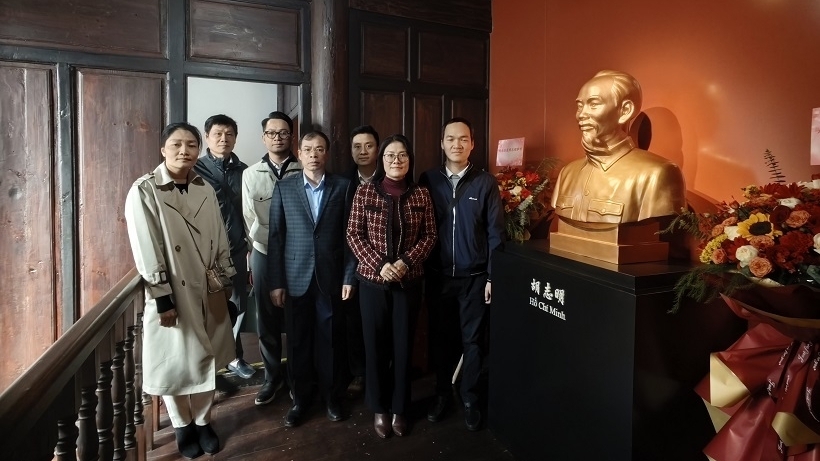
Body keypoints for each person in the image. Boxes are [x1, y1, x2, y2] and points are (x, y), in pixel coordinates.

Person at [125, 122, 235, 457]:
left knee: (206, 358)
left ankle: (203, 421)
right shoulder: (145, 190)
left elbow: (219, 235)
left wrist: (225, 276)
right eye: (176, 145)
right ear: (163, 149)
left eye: (191, 145)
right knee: (175, 363)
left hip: (207, 286)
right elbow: (147, 248)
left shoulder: (204, 188)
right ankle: (182, 426)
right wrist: (162, 297)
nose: (184, 151)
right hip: (173, 290)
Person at [346, 134, 437, 438]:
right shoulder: (364, 193)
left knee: (402, 346)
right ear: (381, 160)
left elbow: (429, 237)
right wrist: (380, 265)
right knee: (374, 346)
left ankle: (399, 408)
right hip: (372, 284)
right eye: (390, 156)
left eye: (402, 156)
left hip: (408, 283)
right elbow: (354, 236)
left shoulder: (421, 194)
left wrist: (405, 263)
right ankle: (379, 408)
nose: (396, 161)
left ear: (410, 161)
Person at [419, 117, 504, 432]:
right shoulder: (428, 179)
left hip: (475, 278)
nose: (457, 144)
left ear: (472, 144)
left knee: (472, 341)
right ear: (442, 143)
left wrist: (493, 277)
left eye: (463, 139)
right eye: (450, 139)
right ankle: (442, 393)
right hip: (439, 276)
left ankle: (469, 397)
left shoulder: (485, 182)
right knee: (441, 339)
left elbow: (496, 234)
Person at [267, 131, 357, 427]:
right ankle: (300, 399)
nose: (314, 154)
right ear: (300, 153)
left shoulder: (343, 187)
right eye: (308, 149)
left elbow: (350, 238)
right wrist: (276, 282)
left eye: (320, 149)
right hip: (294, 279)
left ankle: (332, 397)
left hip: (330, 278)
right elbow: (276, 237)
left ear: (327, 154)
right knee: (298, 342)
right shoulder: (284, 187)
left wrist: (349, 277)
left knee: (330, 341)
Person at [551, 70, 686, 224]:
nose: (581, 114)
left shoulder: (657, 174)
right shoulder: (567, 173)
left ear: (625, 111)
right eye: (580, 106)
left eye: (593, 104)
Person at [242, 111, 303, 405]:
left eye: (283, 133)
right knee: (266, 317)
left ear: (292, 137)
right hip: (264, 251)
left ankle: (297, 377)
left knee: (296, 316)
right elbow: (248, 216)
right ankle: (271, 377)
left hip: (298, 253)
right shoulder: (250, 174)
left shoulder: (303, 169)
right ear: (263, 137)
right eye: (272, 133)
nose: (277, 138)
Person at [194, 114, 255, 380]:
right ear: (207, 137)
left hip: (237, 248)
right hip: (204, 252)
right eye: (218, 133)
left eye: (229, 134)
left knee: (237, 303)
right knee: (205, 306)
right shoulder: (196, 169)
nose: (223, 139)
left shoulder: (245, 170)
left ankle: (233, 357)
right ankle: (206, 362)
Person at [342, 125, 381, 393]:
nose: (363, 151)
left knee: (381, 324)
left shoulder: (390, 178)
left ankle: (381, 369)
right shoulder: (345, 183)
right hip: (351, 264)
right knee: (354, 321)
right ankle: (359, 372)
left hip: (384, 265)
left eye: (368, 146)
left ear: (378, 149)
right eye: (357, 146)